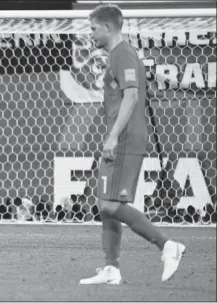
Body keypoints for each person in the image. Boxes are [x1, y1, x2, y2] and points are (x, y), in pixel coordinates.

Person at [79, 4, 185, 285]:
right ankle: (111, 268)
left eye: (93, 29)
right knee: (104, 204)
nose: (91, 35)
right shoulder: (118, 55)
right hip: (119, 136)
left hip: (125, 138)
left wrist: (113, 136)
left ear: (108, 27)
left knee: (112, 206)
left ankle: (167, 245)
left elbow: (132, 97)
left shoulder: (123, 54)